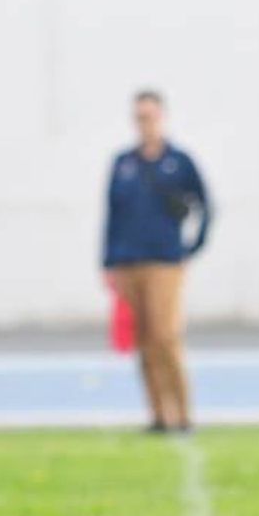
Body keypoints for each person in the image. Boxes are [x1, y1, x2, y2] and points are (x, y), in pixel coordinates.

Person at [102, 89, 211, 433]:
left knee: (166, 336)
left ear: (161, 117)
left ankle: (183, 413)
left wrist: (193, 245)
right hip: (128, 261)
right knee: (144, 340)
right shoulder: (124, 163)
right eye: (139, 117)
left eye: (150, 116)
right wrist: (108, 262)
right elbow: (112, 215)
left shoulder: (178, 161)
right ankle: (159, 414)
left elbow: (205, 204)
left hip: (164, 261)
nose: (145, 123)